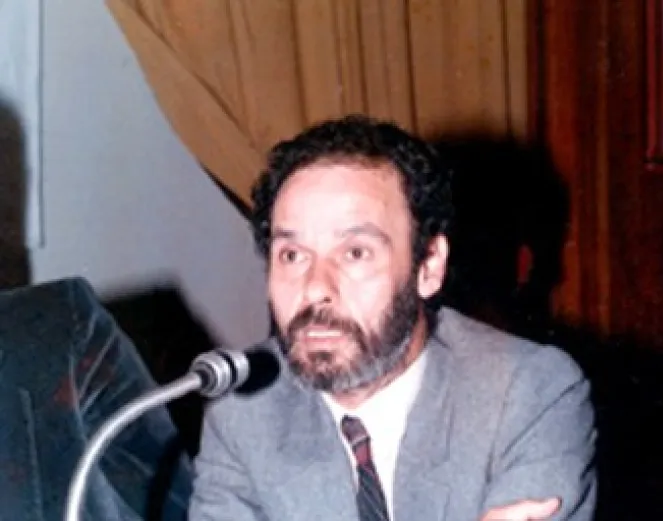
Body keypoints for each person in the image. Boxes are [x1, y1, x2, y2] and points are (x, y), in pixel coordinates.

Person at [188, 115, 597, 521]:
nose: (314, 288)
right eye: (292, 256)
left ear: (429, 267)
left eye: (355, 253)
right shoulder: (245, 411)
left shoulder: (527, 391)